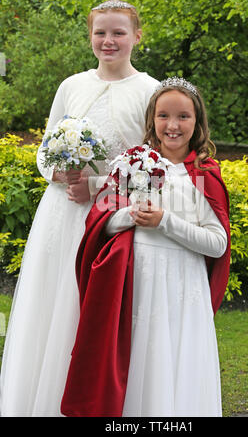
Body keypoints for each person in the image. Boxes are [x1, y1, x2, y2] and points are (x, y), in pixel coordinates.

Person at [0, 0, 159, 417]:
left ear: (137, 36)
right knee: (55, 305)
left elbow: (154, 166)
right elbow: (44, 149)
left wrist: (98, 185)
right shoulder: (71, 85)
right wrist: (55, 173)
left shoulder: (151, 91)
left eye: (118, 32)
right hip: (60, 214)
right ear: (90, 36)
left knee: (98, 308)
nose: (109, 41)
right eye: (100, 32)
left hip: (111, 218)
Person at [60, 77, 231, 417]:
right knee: (139, 360)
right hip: (137, 285)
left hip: (182, 288)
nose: (172, 125)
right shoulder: (133, 163)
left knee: (175, 360)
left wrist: (165, 221)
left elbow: (217, 243)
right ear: (152, 119)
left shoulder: (203, 174)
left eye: (183, 116)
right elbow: (100, 223)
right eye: (164, 115)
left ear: (197, 122)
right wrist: (130, 215)